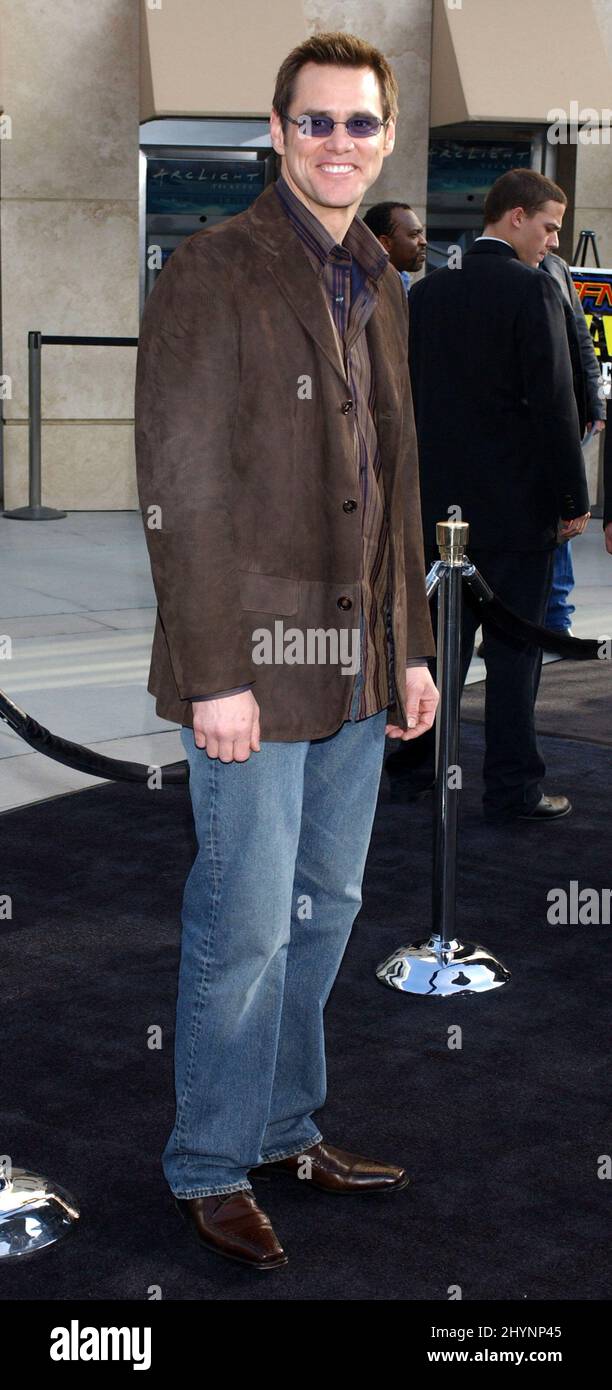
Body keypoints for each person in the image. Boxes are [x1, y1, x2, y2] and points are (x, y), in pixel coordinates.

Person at [134, 31, 438, 1273]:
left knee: (326, 912)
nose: (337, 144)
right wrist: (214, 671)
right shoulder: (215, 268)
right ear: (275, 131)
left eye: (360, 124)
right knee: (246, 922)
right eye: (314, 122)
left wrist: (413, 649)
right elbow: (183, 485)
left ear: (385, 135)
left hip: (362, 666)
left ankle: (283, 1126)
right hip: (252, 664)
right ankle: (210, 1161)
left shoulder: (380, 275)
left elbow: (401, 480)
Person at [387, 168, 590, 824]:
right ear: (514, 218)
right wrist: (571, 498)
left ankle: (413, 772)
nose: (554, 242)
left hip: (436, 512)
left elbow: (402, 406)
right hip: (515, 513)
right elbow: (556, 407)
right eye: (549, 226)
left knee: (439, 647)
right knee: (514, 654)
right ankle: (512, 790)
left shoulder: (426, 295)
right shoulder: (532, 293)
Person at [541, 251, 606, 633]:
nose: (553, 240)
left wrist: (594, 401)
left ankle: (556, 617)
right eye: (548, 227)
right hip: (521, 419)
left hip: (566, 414)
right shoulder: (492, 268)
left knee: (563, 515)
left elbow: (581, 336)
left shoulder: (556, 267)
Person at [363, 200, 427, 294]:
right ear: (385, 242)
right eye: (414, 235)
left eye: (421, 233)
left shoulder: (401, 282)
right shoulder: (366, 292)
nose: (423, 242)